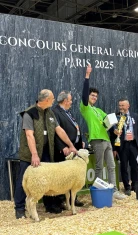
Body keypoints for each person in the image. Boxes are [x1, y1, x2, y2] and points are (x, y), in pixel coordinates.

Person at [14, 89, 77, 219]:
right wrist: (34, 155)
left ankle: (49, 206)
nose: (54, 101)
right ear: (47, 100)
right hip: (30, 153)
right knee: (23, 179)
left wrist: (71, 145)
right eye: (52, 99)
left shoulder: (50, 113)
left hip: (46, 151)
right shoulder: (29, 113)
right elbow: (29, 135)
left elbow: (59, 130)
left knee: (49, 179)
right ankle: (19, 208)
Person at [80, 65, 126, 200]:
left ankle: (114, 191)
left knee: (112, 166)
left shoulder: (99, 110)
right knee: (99, 166)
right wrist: (87, 76)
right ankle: (99, 193)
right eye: (92, 95)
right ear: (88, 96)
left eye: (96, 96)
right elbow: (84, 94)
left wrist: (115, 130)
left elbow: (109, 122)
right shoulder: (85, 107)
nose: (94, 97)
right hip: (96, 140)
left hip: (106, 140)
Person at [52, 90, 84, 208]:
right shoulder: (56, 112)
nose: (71, 102)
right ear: (65, 101)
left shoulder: (68, 112)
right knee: (63, 177)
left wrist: (80, 141)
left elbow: (75, 127)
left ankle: (72, 199)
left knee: (72, 177)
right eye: (70, 100)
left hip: (74, 148)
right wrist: (63, 146)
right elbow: (56, 132)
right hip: (64, 150)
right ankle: (61, 200)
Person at [110, 99, 138, 196]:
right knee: (124, 167)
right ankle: (127, 187)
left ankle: (135, 185)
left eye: (123, 105)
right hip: (122, 145)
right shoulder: (115, 117)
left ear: (128, 106)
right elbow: (112, 134)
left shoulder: (135, 116)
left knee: (135, 166)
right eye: (119, 105)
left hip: (133, 144)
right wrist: (114, 148)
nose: (121, 107)